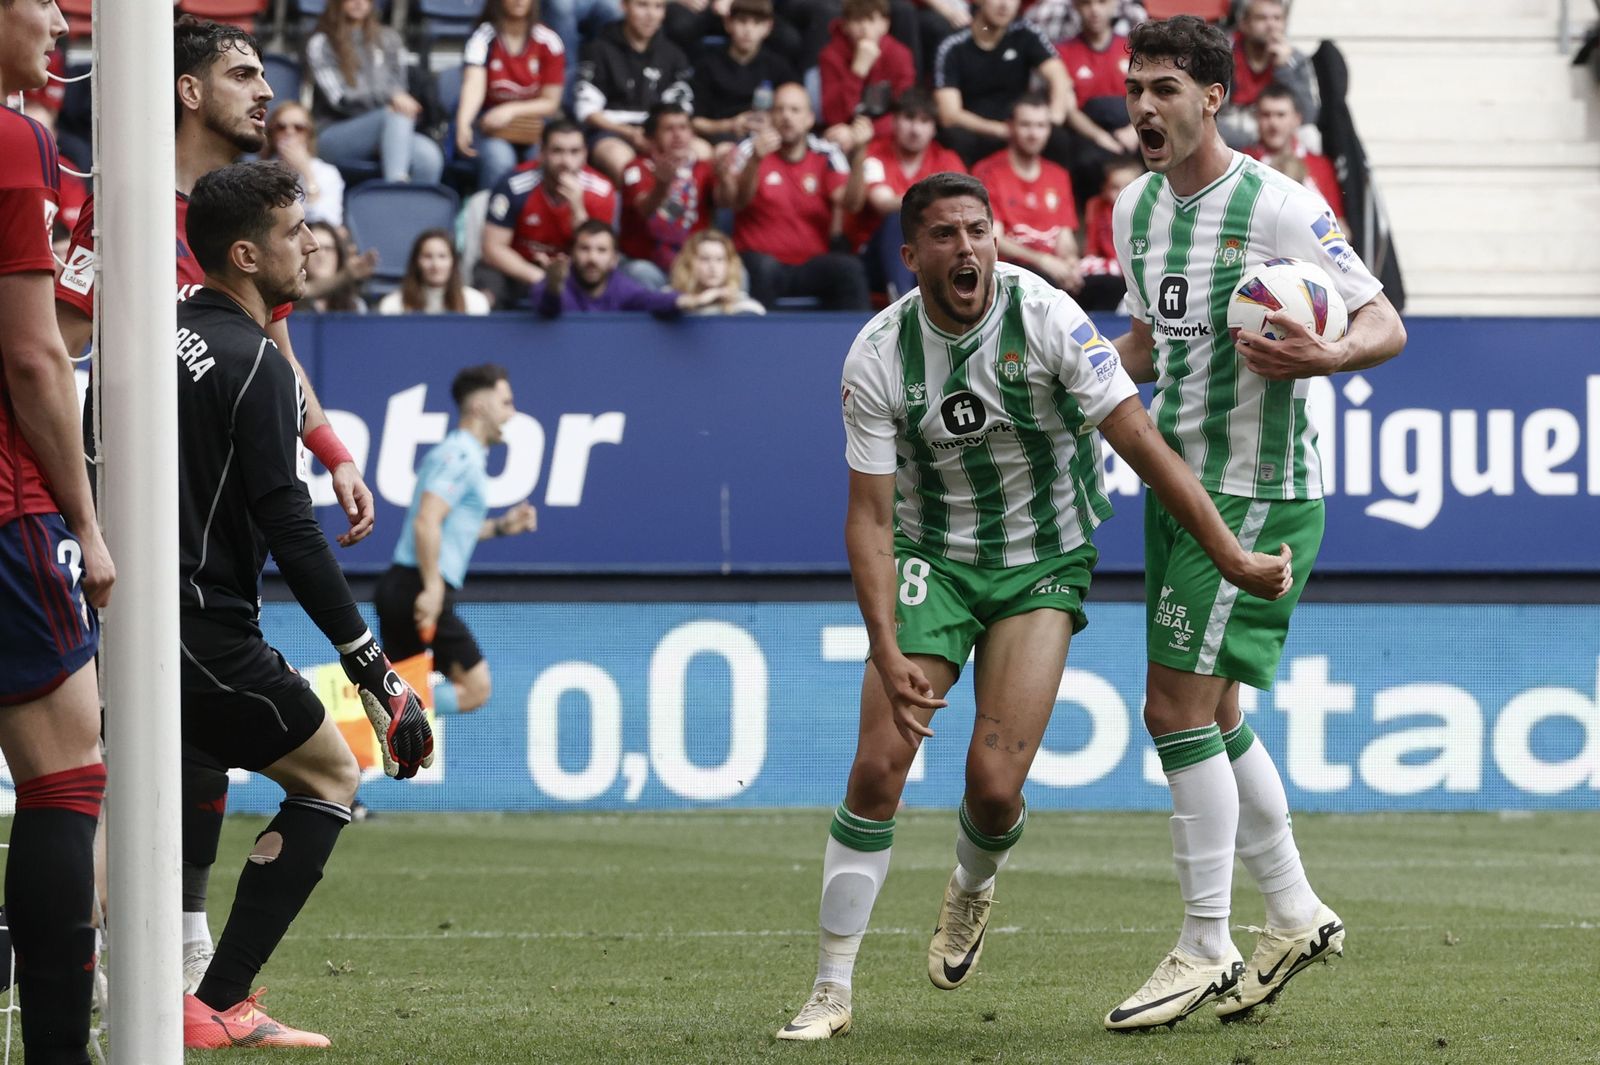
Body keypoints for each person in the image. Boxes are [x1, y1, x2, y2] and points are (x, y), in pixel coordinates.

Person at [776, 170, 1292, 1041]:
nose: (967, 248)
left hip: (1041, 562)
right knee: (876, 768)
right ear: (911, 256)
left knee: (992, 783)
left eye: (978, 230)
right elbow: (866, 517)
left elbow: (1142, 443)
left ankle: (972, 886)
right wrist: (883, 648)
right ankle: (831, 987)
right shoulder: (876, 353)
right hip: (930, 559)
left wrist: (1228, 553)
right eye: (945, 235)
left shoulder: (1048, 315)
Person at [54, 17, 377, 999]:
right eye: (242, 74)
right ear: (186, 91)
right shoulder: (123, 208)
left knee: (195, 743)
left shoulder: (245, 216)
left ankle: (184, 958)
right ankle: (68, 957)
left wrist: (325, 446)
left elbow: (267, 347)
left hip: (197, 533)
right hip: (115, 520)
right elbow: (56, 340)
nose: (262, 92)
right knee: (110, 751)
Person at [1105, 15, 1406, 1031]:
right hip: (1175, 487)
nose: (1143, 106)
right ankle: (1292, 910)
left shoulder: (1278, 206)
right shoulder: (1133, 209)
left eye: (1163, 89)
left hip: (1255, 492)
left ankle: (1203, 944)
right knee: (1217, 714)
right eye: (1133, 87)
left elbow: (1383, 322)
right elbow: (1150, 338)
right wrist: (1076, 387)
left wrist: (1328, 357)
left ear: (1213, 98)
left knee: (1172, 711)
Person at [176, 161, 434, 1049]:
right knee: (329, 775)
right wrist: (373, 668)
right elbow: (291, 526)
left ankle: (174, 997)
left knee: (130, 802)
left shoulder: (171, 334)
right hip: (200, 627)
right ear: (245, 254)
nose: (313, 241)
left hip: (134, 617)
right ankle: (216, 1002)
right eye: (294, 232)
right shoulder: (257, 365)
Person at [0, 4, 114, 1062]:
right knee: (68, 772)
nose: (58, 20)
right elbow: (38, 357)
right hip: (5, 503)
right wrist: (87, 518)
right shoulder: (19, 137)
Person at [373, 364, 538, 717]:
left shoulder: (460, 454)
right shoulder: (462, 455)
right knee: (475, 688)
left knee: (404, 695)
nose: (512, 413)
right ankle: (370, 707)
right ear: (479, 407)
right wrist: (433, 588)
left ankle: (376, 708)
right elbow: (426, 520)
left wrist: (500, 528)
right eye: (506, 402)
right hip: (418, 588)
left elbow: (444, 526)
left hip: (408, 587)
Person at [724, 82, 871, 310]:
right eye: (779, 110)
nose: (786, 116)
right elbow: (738, 202)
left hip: (809, 266)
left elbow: (851, 204)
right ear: (770, 116)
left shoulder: (827, 154)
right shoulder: (750, 150)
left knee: (848, 268)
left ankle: (860, 345)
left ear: (809, 118)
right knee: (761, 266)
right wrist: (755, 161)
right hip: (759, 262)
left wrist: (860, 153)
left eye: (794, 110)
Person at [841, 86, 965, 296]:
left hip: (931, 253)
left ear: (934, 129)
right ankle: (899, 296)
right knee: (898, 218)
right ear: (894, 121)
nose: (915, 129)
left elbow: (961, 207)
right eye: (909, 118)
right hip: (875, 257)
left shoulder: (947, 159)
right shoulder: (874, 152)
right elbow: (882, 203)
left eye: (924, 121)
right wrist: (937, 200)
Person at [306, 0, 445, 185]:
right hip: (334, 133)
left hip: (391, 125)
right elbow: (341, 99)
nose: (358, 2)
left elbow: (400, 88)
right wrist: (389, 97)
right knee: (395, 113)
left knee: (429, 156)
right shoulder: (321, 42)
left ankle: (413, 210)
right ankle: (393, 189)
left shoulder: (390, 39)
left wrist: (393, 101)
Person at [480, 118, 619, 299]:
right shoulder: (513, 186)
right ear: (542, 153)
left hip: (575, 272)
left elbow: (597, 253)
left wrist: (578, 209)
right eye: (557, 151)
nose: (566, 161)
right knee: (486, 290)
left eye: (574, 152)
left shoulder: (601, 191)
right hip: (519, 268)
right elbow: (493, 249)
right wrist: (540, 277)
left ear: (585, 154)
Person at [931, 0, 1073, 167]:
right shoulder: (953, 45)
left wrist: (1053, 117)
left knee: (1058, 138)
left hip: (1019, 121)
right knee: (956, 138)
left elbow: (1059, 76)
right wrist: (1000, 130)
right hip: (977, 127)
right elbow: (949, 114)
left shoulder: (1025, 32)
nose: (1005, 4)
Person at [573, 0, 696, 182]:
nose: (651, 15)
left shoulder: (673, 54)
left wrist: (659, 136)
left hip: (661, 133)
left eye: (658, 7)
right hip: (610, 132)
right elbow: (587, 112)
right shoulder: (597, 49)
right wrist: (628, 133)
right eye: (642, 5)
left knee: (702, 152)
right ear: (624, 6)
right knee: (626, 166)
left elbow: (680, 108)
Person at [971, 94, 1082, 292]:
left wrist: (1070, 262)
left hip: (1052, 269)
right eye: (1026, 125)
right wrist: (1042, 260)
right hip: (1010, 270)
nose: (1034, 134)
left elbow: (1064, 238)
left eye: (1041, 126)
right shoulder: (988, 172)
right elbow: (993, 240)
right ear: (1010, 127)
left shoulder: (1058, 175)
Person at [456, 0, 567, 194]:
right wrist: (463, 123)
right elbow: (473, 84)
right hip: (493, 128)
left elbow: (551, 102)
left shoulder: (549, 40)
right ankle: (490, 218)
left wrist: (510, 110)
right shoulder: (483, 36)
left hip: (535, 128)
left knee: (544, 160)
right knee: (499, 159)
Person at [534, 219, 735, 316]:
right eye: (584, 249)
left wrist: (694, 300)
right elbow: (546, 306)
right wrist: (553, 288)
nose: (592, 258)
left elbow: (653, 300)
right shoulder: (560, 282)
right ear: (572, 254)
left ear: (614, 259)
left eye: (601, 250)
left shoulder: (621, 287)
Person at [618, 102, 718, 288]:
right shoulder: (636, 169)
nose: (678, 135)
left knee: (738, 274)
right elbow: (644, 209)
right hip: (648, 263)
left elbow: (727, 202)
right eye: (668, 129)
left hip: (694, 264)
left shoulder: (704, 169)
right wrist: (662, 185)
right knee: (641, 274)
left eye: (683, 128)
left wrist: (727, 176)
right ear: (653, 136)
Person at [1055, 0, 1139, 194]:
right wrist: (1099, 136)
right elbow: (1069, 110)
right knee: (1085, 160)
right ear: (1076, 7)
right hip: (1089, 132)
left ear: (1115, 4)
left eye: (1102, 2)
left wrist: (1134, 129)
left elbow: (1149, 96)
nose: (1094, 10)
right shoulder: (1062, 52)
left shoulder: (1133, 48)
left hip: (1133, 126)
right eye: (1086, 3)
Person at [688, 0, 797, 146]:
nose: (748, 30)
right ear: (728, 23)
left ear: (768, 27)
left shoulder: (778, 67)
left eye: (757, 23)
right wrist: (730, 125)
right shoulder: (707, 66)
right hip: (720, 142)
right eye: (742, 21)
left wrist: (772, 120)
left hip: (767, 140)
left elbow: (795, 109)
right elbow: (695, 121)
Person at [818, 0, 916, 155]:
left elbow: (904, 110)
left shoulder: (899, 55)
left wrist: (861, 133)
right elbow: (833, 116)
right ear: (845, 26)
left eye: (870, 20)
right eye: (857, 21)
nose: (864, 28)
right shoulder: (831, 56)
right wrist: (857, 72)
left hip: (886, 136)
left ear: (885, 24)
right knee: (833, 138)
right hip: (843, 136)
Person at [1216, 0, 1317, 150]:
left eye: (1277, 18)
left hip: (1273, 122)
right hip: (1234, 122)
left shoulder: (1295, 59)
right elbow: (1210, 113)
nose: (1271, 25)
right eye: (1261, 18)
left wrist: (1284, 68)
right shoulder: (1222, 52)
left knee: (1309, 136)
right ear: (1243, 23)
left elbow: (1307, 115)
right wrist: (1255, 139)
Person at [1244, 83, 1344, 220]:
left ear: (1297, 119)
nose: (1273, 123)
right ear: (1257, 118)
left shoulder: (1320, 165)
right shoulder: (1244, 164)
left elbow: (1339, 225)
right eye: (1266, 115)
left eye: (1280, 115)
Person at [261, 101, 346, 227]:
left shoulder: (327, 173)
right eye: (281, 127)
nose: (289, 132)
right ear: (271, 135)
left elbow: (328, 222)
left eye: (299, 128)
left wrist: (307, 174)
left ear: (309, 135)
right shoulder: (259, 172)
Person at [378, 229, 492, 315]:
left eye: (442, 256)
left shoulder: (475, 302)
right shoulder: (392, 305)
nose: (435, 265)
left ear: (453, 262)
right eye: (427, 257)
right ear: (416, 262)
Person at [669, 229, 767, 314]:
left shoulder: (745, 307)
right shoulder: (670, 299)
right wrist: (696, 301)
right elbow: (654, 303)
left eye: (720, 259)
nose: (713, 267)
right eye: (705, 259)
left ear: (729, 265)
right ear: (689, 264)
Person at [300, 219, 373, 312]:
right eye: (315, 249)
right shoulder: (290, 297)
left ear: (339, 255)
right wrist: (346, 275)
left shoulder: (355, 306)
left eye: (328, 249)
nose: (321, 255)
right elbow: (304, 292)